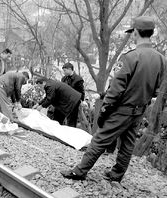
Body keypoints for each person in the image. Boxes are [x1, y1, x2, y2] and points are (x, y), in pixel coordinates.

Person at [60, 16, 165, 183]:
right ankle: (116, 175)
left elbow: (116, 89)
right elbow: (157, 90)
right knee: (128, 143)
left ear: (136, 32)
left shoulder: (131, 57)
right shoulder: (161, 59)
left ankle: (79, 171)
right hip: (139, 110)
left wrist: (105, 109)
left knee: (100, 139)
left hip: (122, 109)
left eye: (133, 32)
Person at [61, 62, 85, 127]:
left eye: (65, 70)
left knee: (71, 122)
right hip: (64, 103)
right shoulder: (63, 79)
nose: (64, 72)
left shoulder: (78, 79)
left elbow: (81, 92)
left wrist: (81, 101)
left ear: (69, 69)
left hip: (73, 103)